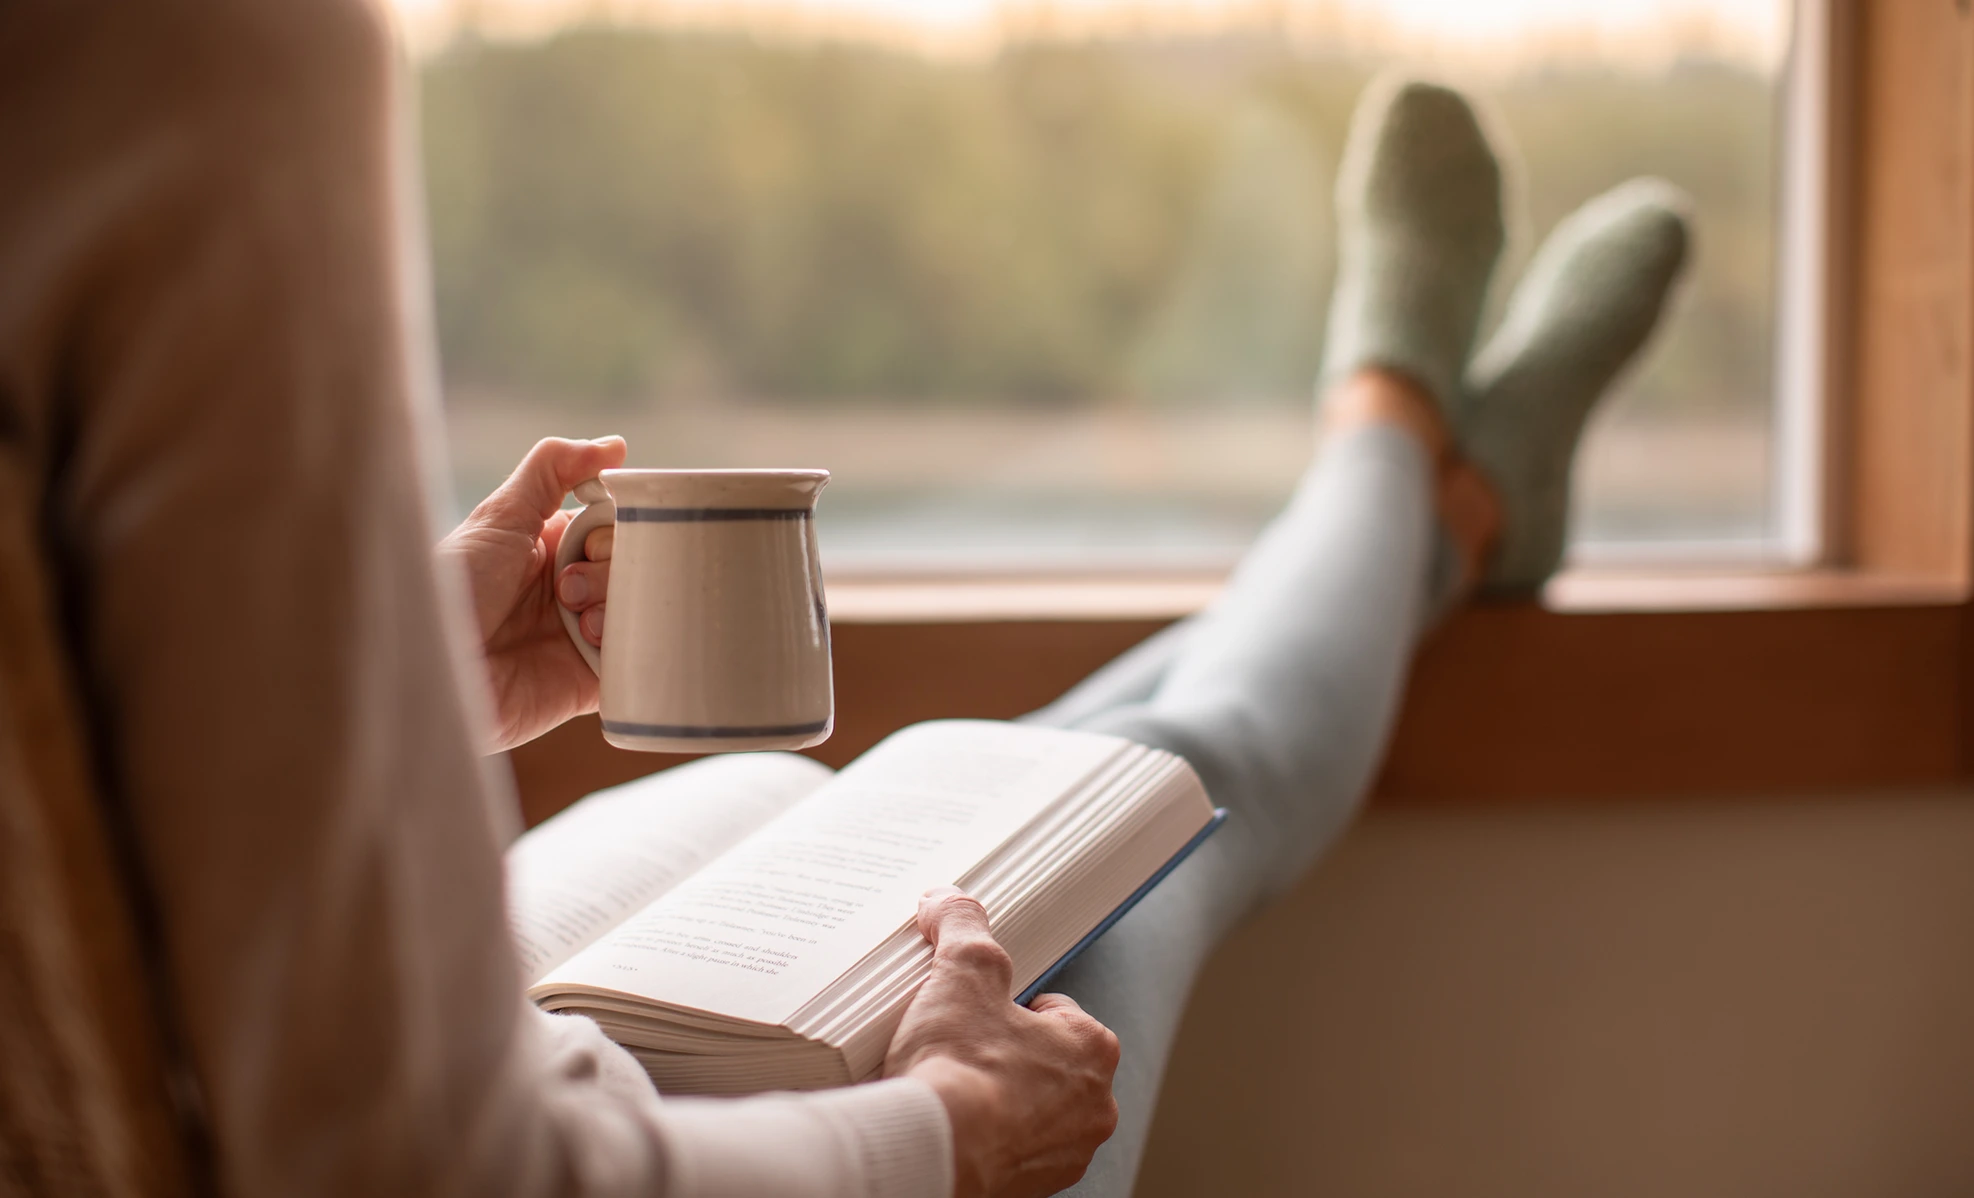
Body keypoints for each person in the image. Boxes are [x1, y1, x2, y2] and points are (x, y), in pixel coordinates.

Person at [0, 0, 1686, 1195]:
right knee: (1161, 795)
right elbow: (405, 1170)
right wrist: (940, 1136)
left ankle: (1422, 486)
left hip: (283, 1068)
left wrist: (388, 690)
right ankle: (1403, 461)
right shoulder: (183, 57)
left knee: (1024, 806)